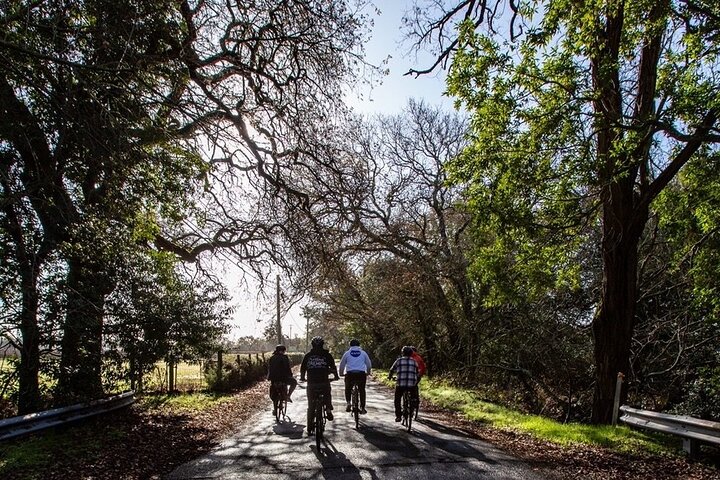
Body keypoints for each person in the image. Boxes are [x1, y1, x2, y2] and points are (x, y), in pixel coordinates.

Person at [300, 336, 339, 433]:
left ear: (312, 345)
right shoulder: (327, 355)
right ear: (322, 345)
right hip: (323, 381)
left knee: (311, 404)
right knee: (327, 393)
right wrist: (336, 376)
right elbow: (333, 367)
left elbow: (303, 368)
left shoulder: (308, 356)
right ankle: (328, 409)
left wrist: (302, 378)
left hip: (311, 383)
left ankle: (310, 426)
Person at [338, 339, 372, 414]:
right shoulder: (363, 353)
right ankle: (363, 408)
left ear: (350, 345)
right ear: (359, 345)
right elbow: (369, 364)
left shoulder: (347, 353)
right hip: (361, 374)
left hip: (350, 374)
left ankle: (348, 402)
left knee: (348, 388)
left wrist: (341, 373)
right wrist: (368, 372)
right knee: (362, 390)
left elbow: (342, 364)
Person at [388, 346, 419, 422]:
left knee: (397, 399)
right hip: (411, 385)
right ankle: (412, 407)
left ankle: (398, 416)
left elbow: (392, 370)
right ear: (411, 353)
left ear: (403, 353)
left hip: (401, 384)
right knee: (413, 394)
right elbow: (417, 371)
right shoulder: (414, 361)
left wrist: (390, 376)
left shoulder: (399, 361)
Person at [267, 345, 297, 416]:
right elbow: (288, 368)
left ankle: (275, 409)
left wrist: (269, 377)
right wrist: (290, 375)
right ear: (283, 351)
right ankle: (288, 396)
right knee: (294, 382)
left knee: (273, 391)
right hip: (284, 378)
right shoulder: (285, 357)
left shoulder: (272, 358)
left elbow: (269, 369)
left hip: (273, 379)